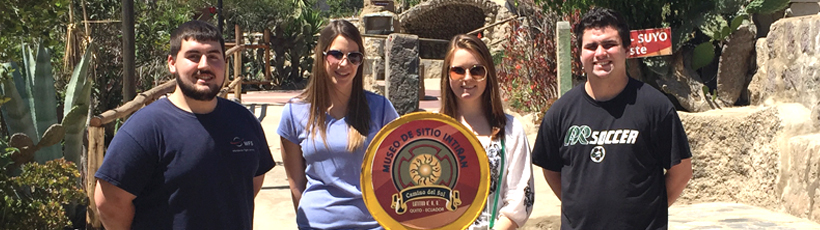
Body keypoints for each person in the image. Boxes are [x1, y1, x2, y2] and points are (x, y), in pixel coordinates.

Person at [94, 20, 275, 229]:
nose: (204, 65)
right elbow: (109, 202)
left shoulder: (243, 120)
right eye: (193, 56)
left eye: (214, 57)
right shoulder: (146, 129)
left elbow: (251, 181)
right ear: (172, 63)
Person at [531, 7, 693, 229]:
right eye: (591, 46)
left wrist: (648, 213)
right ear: (579, 55)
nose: (600, 53)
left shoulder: (655, 106)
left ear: (627, 49)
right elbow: (551, 170)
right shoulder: (560, 112)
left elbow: (681, 172)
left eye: (609, 44)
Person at [277, 20, 399, 229]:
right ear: (322, 56)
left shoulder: (381, 109)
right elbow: (296, 182)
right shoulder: (294, 112)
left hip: (374, 224)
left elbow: (398, 170)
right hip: (318, 224)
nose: (345, 63)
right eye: (336, 54)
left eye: (354, 57)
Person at [439, 34, 534, 230]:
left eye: (476, 70)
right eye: (458, 70)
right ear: (447, 75)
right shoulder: (432, 130)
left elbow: (520, 198)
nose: (467, 78)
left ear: (488, 73)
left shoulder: (511, 129)